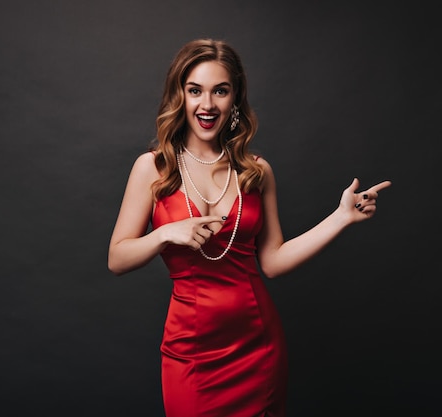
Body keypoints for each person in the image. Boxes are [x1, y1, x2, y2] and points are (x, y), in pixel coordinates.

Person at [107, 38, 391, 417]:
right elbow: (117, 258)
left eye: (220, 91)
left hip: (258, 346)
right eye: (195, 91)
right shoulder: (153, 168)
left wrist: (340, 217)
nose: (207, 105)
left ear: (235, 98)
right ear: (181, 95)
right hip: (190, 352)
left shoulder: (256, 171)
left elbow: (272, 261)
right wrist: (163, 235)